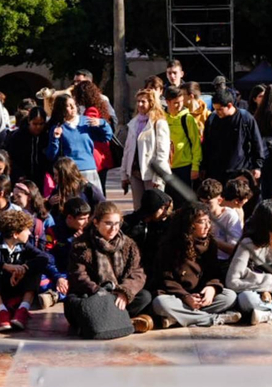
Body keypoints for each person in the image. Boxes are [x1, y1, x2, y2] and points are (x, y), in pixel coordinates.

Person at [67, 200, 153, 335]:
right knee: (75, 303)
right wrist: (99, 291)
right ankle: (124, 321)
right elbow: (78, 275)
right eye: (108, 223)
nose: (113, 228)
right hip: (94, 294)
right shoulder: (82, 245)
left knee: (145, 297)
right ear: (96, 222)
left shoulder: (128, 245)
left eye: (117, 224)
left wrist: (124, 291)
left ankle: (110, 320)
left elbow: (138, 273)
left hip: (118, 294)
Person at [149, 204, 242, 328]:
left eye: (209, 221)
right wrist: (185, 296)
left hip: (200, 296)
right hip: (178, 297)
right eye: (202, 222)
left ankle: (179, 318)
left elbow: (214, 273)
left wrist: (212, 288)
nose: (207, 226)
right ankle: (212, 319)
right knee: (160, 303)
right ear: (190, 224)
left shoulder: (210, 244)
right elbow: (165, 278)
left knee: (230, 296)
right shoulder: (171, 245)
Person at [44, 91, 112, 190]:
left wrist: (102, 123)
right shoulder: (58, 127)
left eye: (74, 105)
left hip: (89, 169)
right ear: (62, 109)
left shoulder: (86, 121)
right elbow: (51, 155)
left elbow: (106, 137)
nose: (73, 108)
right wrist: (55, 138)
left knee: (93, 201)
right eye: (69, 106)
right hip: (69, 171)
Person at [200, 89, 266, 185]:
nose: (217, 112)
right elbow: (206, 145)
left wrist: (257, 166)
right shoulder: (212, 119)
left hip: (239, 171)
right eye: (215, 109)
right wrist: (203, 167)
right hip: (216, 171)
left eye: (220, 109)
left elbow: (256, 143)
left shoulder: (245, 118)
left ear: (230, 105)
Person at [119, 87, 172, 197]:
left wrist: (158, 177)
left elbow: (162, 153)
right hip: (135, 172)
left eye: (143, 101)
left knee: (154, 209)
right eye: (138, 101)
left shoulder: (159, 123)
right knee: (138, 209)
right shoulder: (133, 123)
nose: (140, 104)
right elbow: (127, 151)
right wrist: (124, 174)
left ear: (151, 103)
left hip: (151, 174)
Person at [160, 85, 203, 189]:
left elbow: (196, 145)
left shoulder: (188, 119)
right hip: (165, 167)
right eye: (175, 103)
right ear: (167, 101)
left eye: (181, 101)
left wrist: (195, 167)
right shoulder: (161, 118)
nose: (179, 105)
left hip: (184, 167)